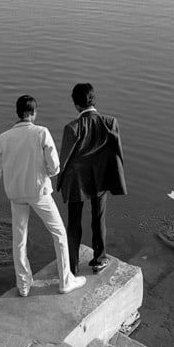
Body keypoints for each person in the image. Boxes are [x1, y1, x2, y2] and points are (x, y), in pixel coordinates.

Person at [0, 95, 86, 297]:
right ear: (33, 113)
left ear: (18, 113)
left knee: (19, 239)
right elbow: (54, 168)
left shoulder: (4, 137)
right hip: (38, 193)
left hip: (16, 194)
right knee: (59, 234)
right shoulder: (41, 133)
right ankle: (66, 281)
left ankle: (24, 286)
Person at [57, 83, 127, 275]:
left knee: (73, 223)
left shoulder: (72, 128)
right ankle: (99, 259)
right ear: (93, 100)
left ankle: (72, 266)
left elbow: (64, 160)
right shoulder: (110, 122)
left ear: (76, 105)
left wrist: (60, 183)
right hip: (101, 178)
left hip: (76, 181)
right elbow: (117, 153)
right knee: (99, 218)